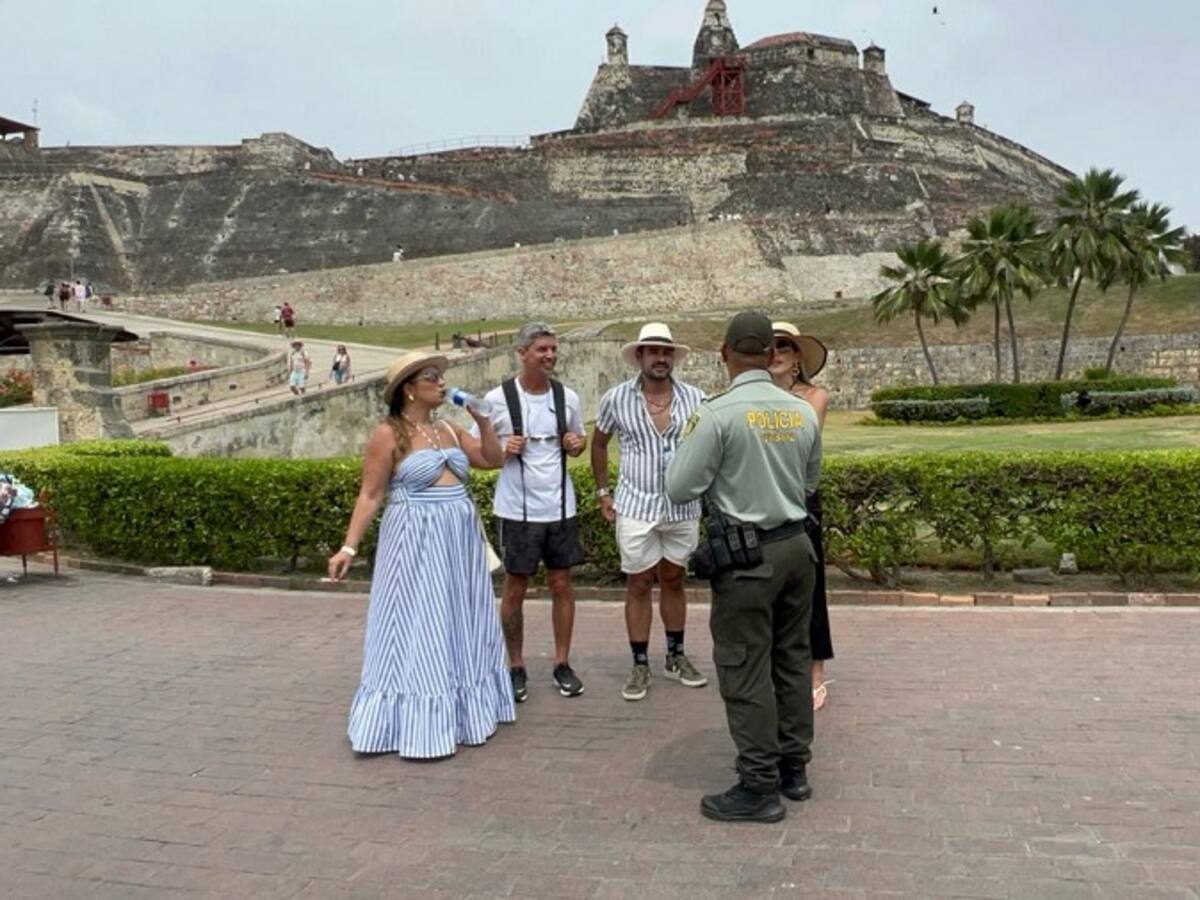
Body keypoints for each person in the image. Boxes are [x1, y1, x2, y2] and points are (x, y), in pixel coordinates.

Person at [666, 311, 823, 824]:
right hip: (797, 547)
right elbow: (809, 482)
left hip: (748, 556)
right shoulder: (800, 411)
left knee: (745, 665)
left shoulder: (718, 413)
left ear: (726, 354)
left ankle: (758, 783)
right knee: (792, 658)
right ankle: (793, 767)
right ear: (769, 353)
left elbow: (679, 486)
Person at [328, 351, 515, 758]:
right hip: (414, 536)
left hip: (458, 536)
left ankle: (465, 709)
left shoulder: (448, 428)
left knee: (459, 614)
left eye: (441, 377)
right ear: (409, 388)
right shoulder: (388, 434)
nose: (442, 383)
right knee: (420, 618)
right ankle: (414, 716)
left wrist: (484, 421)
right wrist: (348, 546)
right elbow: (371, 493)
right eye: (432, 377)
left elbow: (492, 459)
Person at [590, 323, 708, 702]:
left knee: (674, 579)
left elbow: (712, 447)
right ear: (639, 356)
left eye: (666, 351)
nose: (660, 358)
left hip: (682, 505)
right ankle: (640, 661)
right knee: (638, 583)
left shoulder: (696, 398)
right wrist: (603, 491)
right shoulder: (616, 399)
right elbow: (599, 443)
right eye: (653, 351)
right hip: (636, 504)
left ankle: (675, 655)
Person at [477, 322, 588, 702]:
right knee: (515, 587)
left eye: (553, 349)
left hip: (559, 506)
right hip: (517, 509)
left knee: (562, 585)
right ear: (522, 353)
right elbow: (480, 455)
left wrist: (576, 444)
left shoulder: (567, 397)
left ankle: (561, 662)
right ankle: (516, 665)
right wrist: (504, 448)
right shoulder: (497, 399)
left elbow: (579, 441)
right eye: (542, 349)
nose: (550, 355)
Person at [770, 322, 834, 712]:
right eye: (769, 347)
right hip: (766, 500)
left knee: (810, 588)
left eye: (784, 346)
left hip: (800, 499)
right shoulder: (756, 397)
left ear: (797, 358)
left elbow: (800, 435)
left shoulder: (815, 396)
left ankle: (815, 672)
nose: (775, 353)